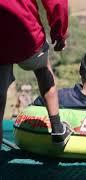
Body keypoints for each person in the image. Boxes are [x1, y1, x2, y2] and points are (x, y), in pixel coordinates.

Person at [0, 0, 72, 148]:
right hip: (27, 34)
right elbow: (56, 3)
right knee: (43, 71)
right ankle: (57, 129)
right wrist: (59, 34)